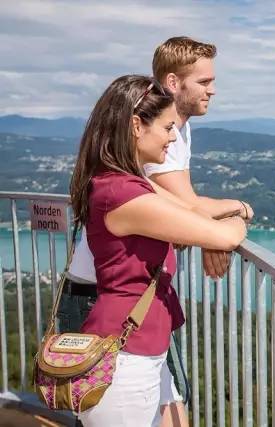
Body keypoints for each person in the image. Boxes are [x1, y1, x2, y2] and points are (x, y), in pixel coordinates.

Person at [61, 36, 252, 425]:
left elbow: (191, 214)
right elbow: (219, 233)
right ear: (136, 126)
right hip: (124, 351)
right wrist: (238, 215)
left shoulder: (130, 186)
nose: (171, 136)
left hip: (138, 343)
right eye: (165, 128)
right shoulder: (124, 194)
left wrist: (211, 222)